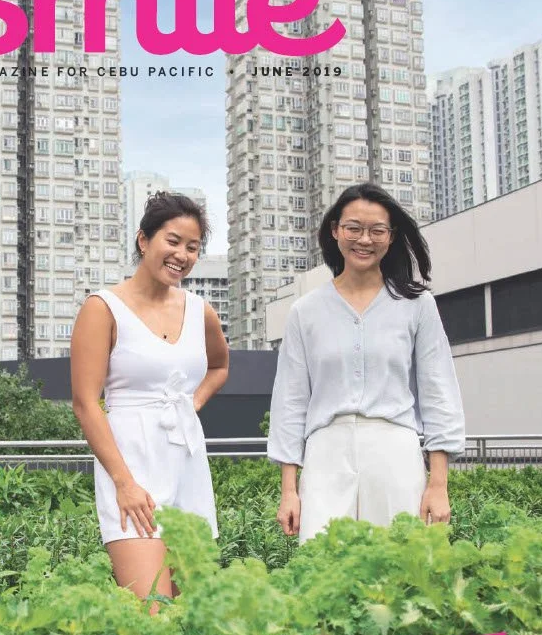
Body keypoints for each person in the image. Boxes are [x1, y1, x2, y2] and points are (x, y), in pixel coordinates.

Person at [268, 182, 465, 544]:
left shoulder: (416, 305)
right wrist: (289, 490)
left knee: (401, 569)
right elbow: (290, 402)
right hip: (326, 454)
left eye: (377, 230)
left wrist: (438, 484)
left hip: (395, 451)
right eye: (353, 228)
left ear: (390, 238)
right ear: (335, 231)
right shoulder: (305, 311)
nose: (365, 239)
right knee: (323, 566)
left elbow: (439, 392)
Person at [70, 191, 229, 606]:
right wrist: (124, 483)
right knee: (151, 616)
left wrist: (190, 403)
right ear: (144, 240)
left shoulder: (200, 311)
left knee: (195, 616)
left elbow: (219, 367)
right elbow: (86, 404)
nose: (182, 255)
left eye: (193, 247)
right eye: (173, 241)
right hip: (133, 468)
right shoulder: (102, 308)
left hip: (189, 466)